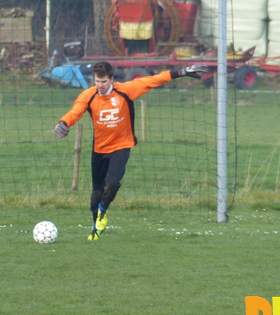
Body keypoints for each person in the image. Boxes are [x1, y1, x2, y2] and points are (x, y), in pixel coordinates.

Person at [54, 61, 206, 240]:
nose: (100, 85)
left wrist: (182, 71)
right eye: (97, 81)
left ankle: (103, 212)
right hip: (99, 149)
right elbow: (75, 112)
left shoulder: (126, 90)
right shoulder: (88, 95)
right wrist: (63, 123)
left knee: (112, 184)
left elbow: (153, 80)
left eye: (103, 81)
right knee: (95, 195)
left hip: (121, 146)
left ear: (111, 79)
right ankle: (96, 230)